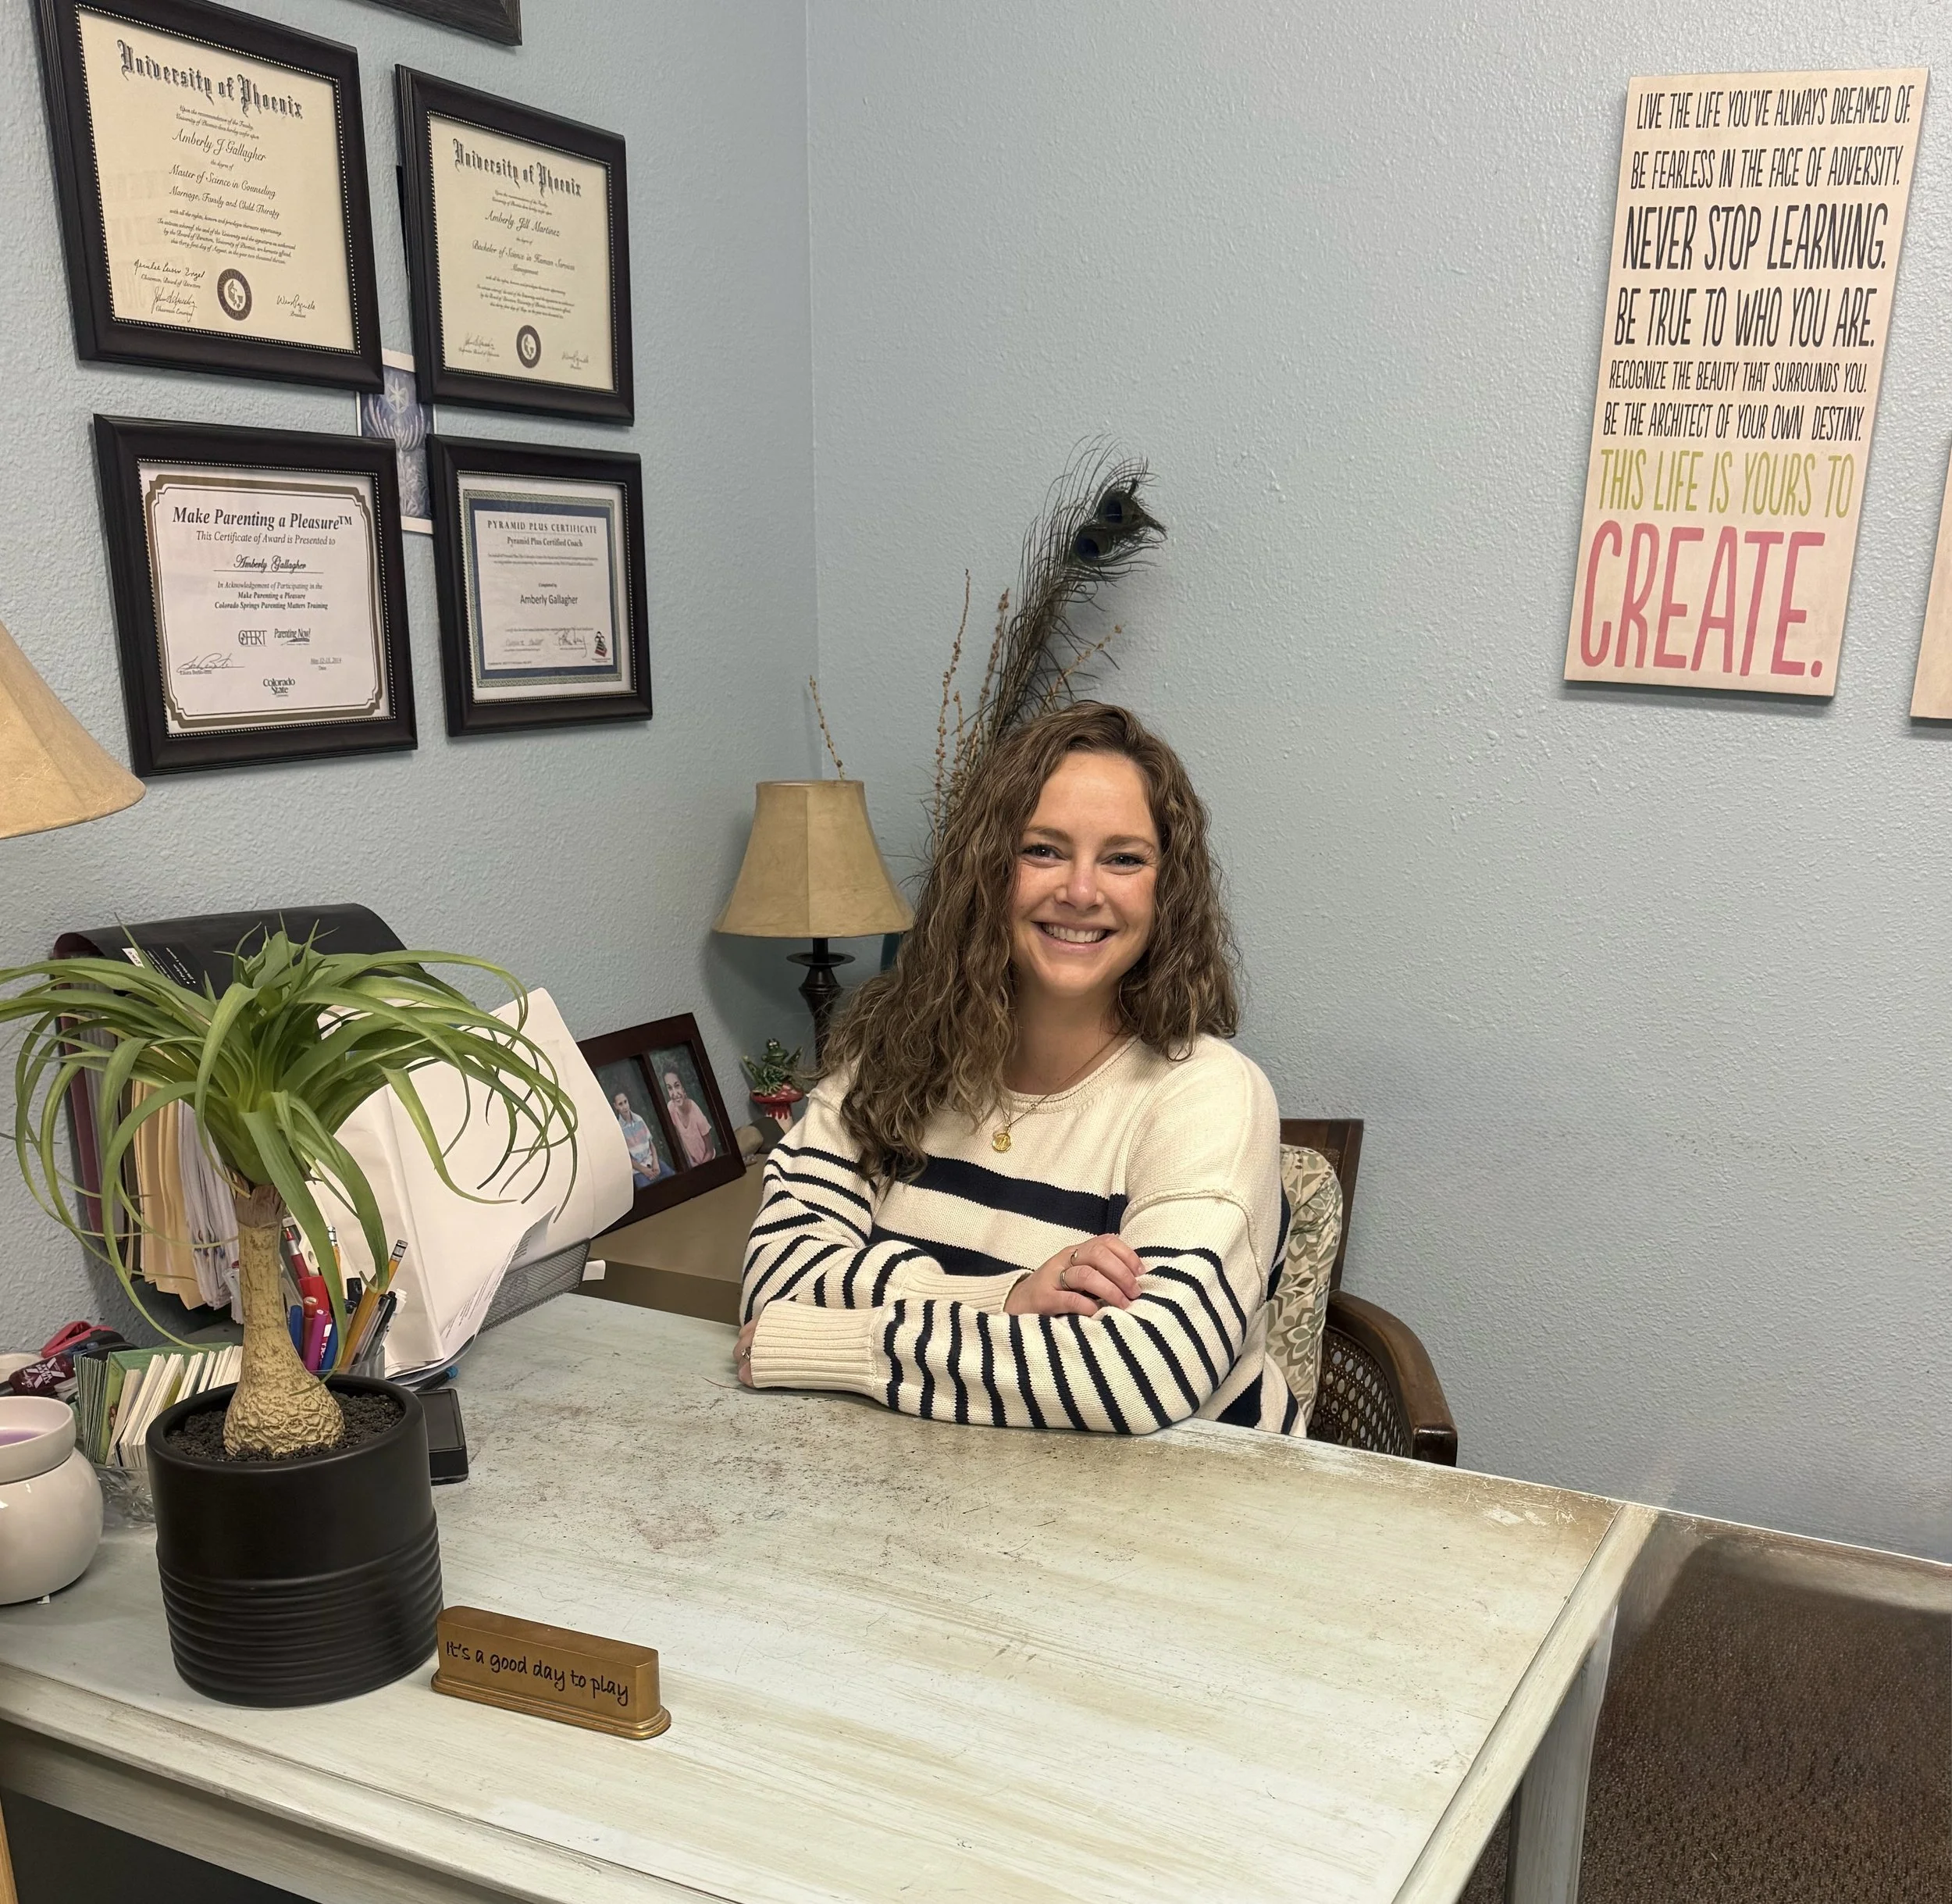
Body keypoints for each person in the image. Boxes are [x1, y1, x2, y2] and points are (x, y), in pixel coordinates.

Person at [736, 701, 1295, 1434]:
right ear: (985, 871)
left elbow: (1136, 1373)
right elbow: (774, 1282)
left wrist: (831, 1345)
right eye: (1043, 850)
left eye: (1124, 858)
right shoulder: (889, 1055)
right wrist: (1009, 1299)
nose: (1082, 891)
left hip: (1185, 1519)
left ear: (1167, 892)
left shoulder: (1211, 1095)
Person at [664, 1069, 718, 1166]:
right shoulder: (670, 1108)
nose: (675, 1093)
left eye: (677, 1086)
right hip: (693, 1164)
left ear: (684, 1088)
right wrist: (691, 1162)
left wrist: (699, 1169)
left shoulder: (696, 1112)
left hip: (710, 1162)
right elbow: (680, 1139)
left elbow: (710, 1150)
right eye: (670, 1088)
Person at [613, 1091, 666, 1187]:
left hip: (651, 1162)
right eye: (620, 1104)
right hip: (638, 1170)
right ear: (616, 1106)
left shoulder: (639, 1120)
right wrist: (643, 1170)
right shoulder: (619, 1129)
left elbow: (651, 1145)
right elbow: (627, 1158)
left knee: (671, 1176)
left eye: (625, 1102)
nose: (625, 1106)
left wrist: (656, 1162)